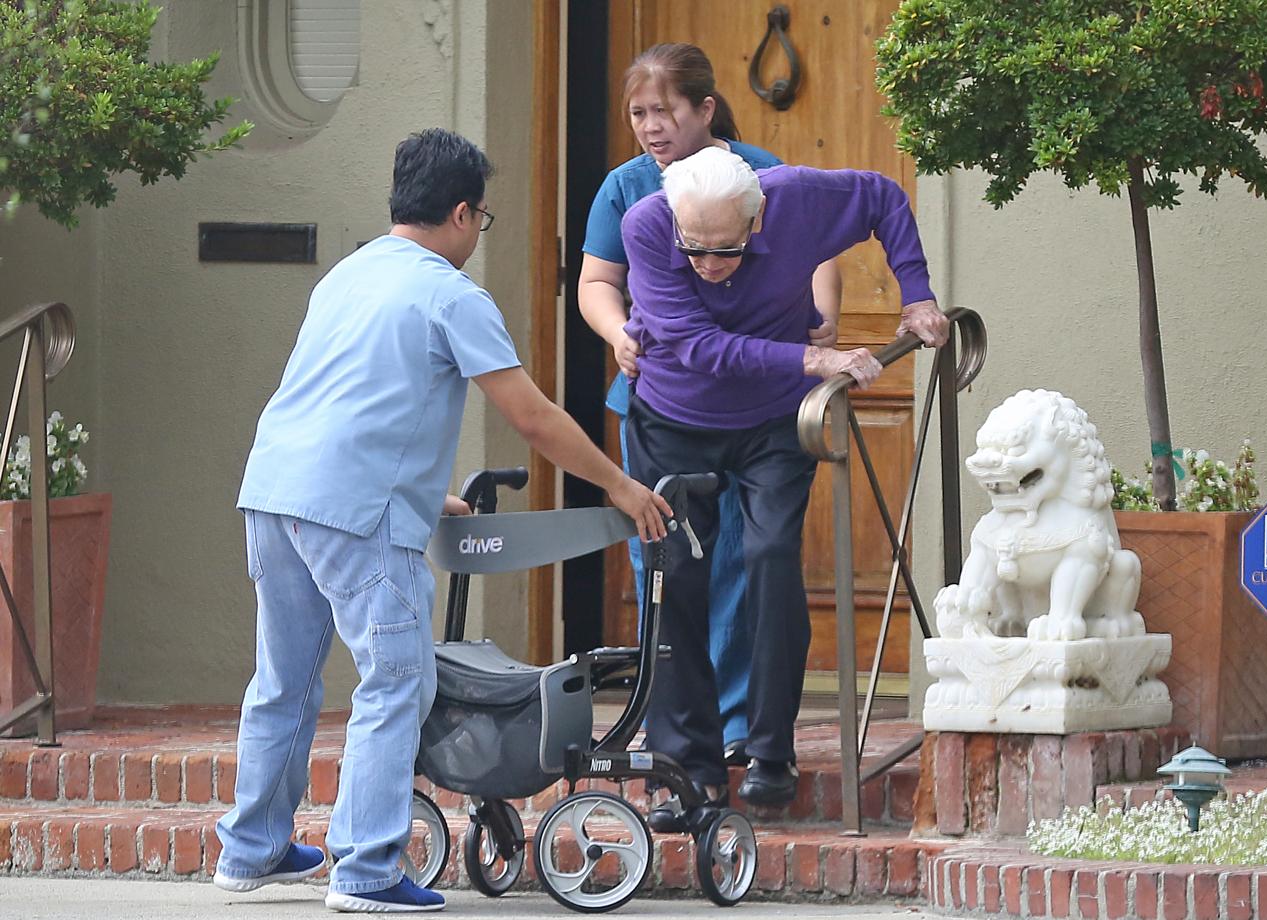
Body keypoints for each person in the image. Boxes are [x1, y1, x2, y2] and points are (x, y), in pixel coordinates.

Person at [214, 129, 670, 913]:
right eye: (482, 220)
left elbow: (347, 401)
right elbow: (531, 418)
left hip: (276, 492)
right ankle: (363, 873)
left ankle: (251, 849)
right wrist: (621, 486)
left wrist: (427, 498)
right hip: (356, 515)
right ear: (462, 213)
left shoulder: (346, 276)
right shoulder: (450, 295)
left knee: (283, 680)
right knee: (396, 679)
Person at [620, 146, 949, 809]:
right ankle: (688, 769)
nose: (710, 267)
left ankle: (771, 749)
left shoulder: (796, 198)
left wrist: (916, 294)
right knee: (675, 577)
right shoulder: (649, 225)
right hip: (674, 417)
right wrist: (814, 357)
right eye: (696, 250)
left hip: (774, 423)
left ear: (758, 217)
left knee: (770, 557)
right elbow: (696, 346)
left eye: (727, 250)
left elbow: (885, 196)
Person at [577, 42, 842, 780]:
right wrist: (616, 332)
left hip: (760, 409)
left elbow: (818, 253)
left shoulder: (761, 171)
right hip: (663, 405)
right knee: (670, 569)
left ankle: (743, 731)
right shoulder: (625, 188)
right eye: (638, 113)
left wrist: (821, 317)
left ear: (705, 108)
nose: (649, 127)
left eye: (663, 111)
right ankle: (679, 747)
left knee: (749, 563)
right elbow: (598, 280)